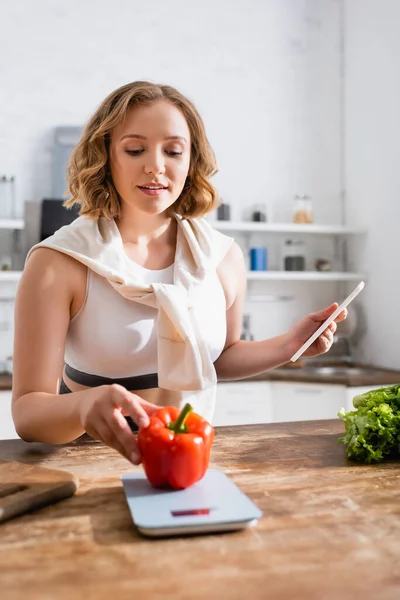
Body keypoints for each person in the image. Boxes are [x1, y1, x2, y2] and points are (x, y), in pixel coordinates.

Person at [12, 81, 347, 465]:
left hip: (187, 456)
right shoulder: (59, 261)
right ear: (107, 157)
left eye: (173, 150)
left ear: (191, 162)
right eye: (135, 149)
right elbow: (28, 414)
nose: (155, 165)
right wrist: (85, 405)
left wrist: (288, 346)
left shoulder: (222, 257)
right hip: (85, 464)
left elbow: (218, 357)